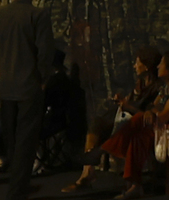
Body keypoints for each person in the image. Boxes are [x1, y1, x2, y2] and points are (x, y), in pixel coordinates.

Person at [0, 0, 56, 200]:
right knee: (26, 141)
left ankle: (18, 185)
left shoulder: (3, 13)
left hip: (7, 87)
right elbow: (45, 52)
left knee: (12, 139)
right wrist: (43, 79)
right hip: (29, 87)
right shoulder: (39, 15)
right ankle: (16, 195)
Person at [100, 49, 169, 200]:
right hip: (162, 129)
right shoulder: (165, 88)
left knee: (139, 118)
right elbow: (153, 107)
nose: (157, 66)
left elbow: (164, 116)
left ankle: (106, 149)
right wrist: (151, 112)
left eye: (161, 64)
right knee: (139, 136)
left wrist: (152, 112)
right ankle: (135, 185)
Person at [66, 46, 162, 189]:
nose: (134, 66)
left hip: (137, 121)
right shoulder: (140, 83)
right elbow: (131, 101)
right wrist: (123, 100)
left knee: (110, 125)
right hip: (126, 117)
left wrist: (128, 106)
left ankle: (96, 156)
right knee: (98, 123)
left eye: (137, 62)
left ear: (147, 66)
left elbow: (148, 113)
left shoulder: (158, 87)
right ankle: (88, 170)